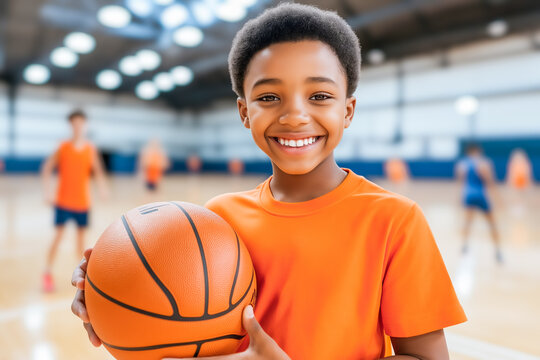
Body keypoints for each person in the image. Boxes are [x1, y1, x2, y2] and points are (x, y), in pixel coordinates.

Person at [71, 4, 466, 359]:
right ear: (244, 112)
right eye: (269, 98)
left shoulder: (394, 220)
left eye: (320, 96)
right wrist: (114, 295)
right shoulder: (217, 219)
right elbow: (183, 335)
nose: (294, 116)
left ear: (348, 110)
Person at [41, 110, 108, 292]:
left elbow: (98, 171)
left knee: (80, 243)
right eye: (74, 123)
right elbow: (46, 168)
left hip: (82, 203)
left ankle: (81, 277)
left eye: (81, 123)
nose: (78, 126)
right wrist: (48, 192)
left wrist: (102, 189)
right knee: (58, 237)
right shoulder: (63, 147)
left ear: (85, 125)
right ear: (71, 125)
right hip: (63, 201)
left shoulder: (90, 149)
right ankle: (47, 273)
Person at [456, 143, 502, 263]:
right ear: (478, 151)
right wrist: (497, 197)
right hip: (481, 195)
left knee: (467, 222)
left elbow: (460, 181)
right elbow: (489, 181)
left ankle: (464, 246)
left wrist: (460, 197)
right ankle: (497, 250)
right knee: (492, 223)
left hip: (468, 194)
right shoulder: (484, 163)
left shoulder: (462, 164)